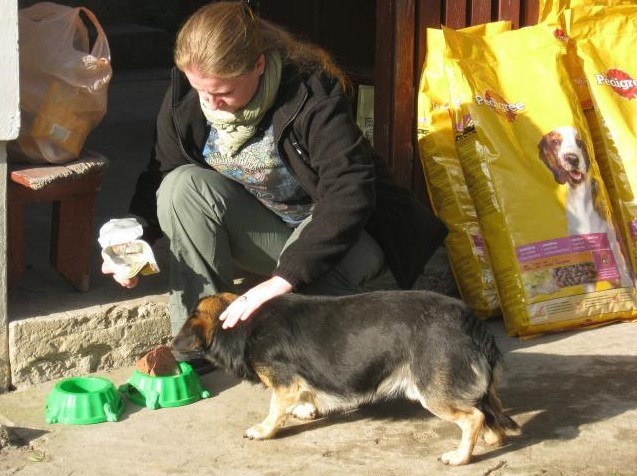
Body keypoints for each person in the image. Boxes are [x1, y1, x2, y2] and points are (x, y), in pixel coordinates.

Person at [104, 0, 447, 336]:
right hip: (267, 232)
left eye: (223, 92)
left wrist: (284, 279)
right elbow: (163, 170)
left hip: (340, 236)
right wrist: (132, 242)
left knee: (294, 326)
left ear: (258, 65)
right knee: (180, 185)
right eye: (200, 90)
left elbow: (350, 190)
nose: (210, 103)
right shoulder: (187, 97)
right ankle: (203, 337)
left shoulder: (312, 92)